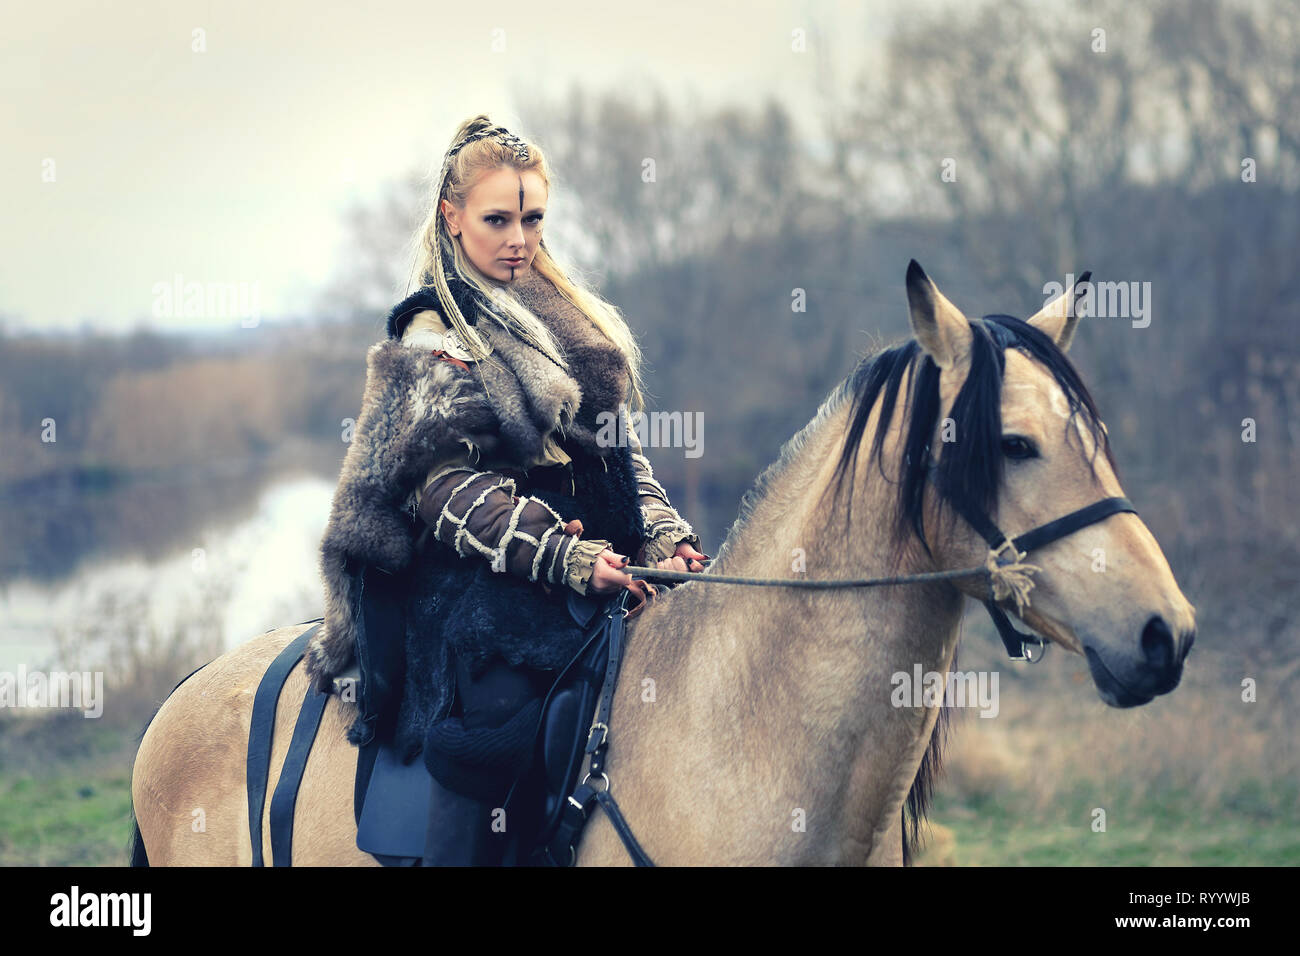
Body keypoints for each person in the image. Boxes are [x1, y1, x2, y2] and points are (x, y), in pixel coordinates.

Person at [307, 115, 707, 865]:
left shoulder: (570, 319)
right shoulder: (434, 331)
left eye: (532, 218)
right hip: (474, 576)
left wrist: (662, 534)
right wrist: (566, 558)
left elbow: (618, 455)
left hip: (591, 554)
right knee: (498, 712)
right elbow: (446, 491)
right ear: (451, 218)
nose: (518, 237)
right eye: (497, 219)